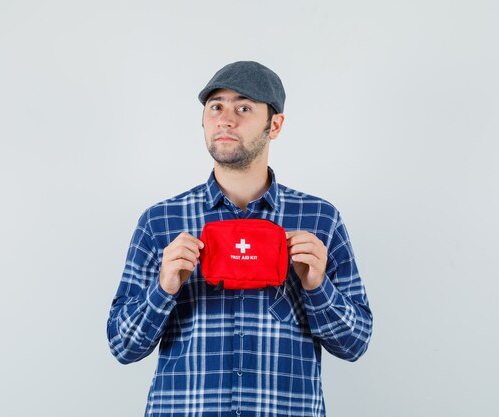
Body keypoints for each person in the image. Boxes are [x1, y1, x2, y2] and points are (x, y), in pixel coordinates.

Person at [107, 61, 373, 417]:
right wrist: (164, 288)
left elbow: (355, 344)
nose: (226, 119)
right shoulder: (160, 222)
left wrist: (316, 285)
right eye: (216, 106)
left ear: (274, 125)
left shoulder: (320, 219)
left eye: (244, 107)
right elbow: (123, 346)